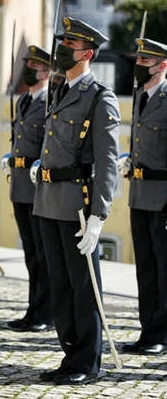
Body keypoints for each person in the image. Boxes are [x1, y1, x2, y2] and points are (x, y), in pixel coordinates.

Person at [31, 17, 120, 385]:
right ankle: (70, 353)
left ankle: (87, 361)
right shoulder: (59, 91)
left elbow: (107, 160)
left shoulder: (100, 96)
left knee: (83, 285)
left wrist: (99, 214)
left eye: (70, 44)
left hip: (78, 205)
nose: (62, 49)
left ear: (87, 53)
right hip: (48, 200)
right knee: (61, 284)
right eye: (62, 42)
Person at [120, 37, 167, 356]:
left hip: (163, 198)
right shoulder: (140, 96)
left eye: (143, 62)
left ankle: (162, 335)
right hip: (138, 195)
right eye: (136, 61)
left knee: (164, 270)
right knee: (145, 268)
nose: (137, 66)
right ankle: (147, 330)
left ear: (162, 65)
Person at [1, 45, 52, 332]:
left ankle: (45, 312)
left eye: (34, 66)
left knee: (43, 254)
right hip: (20, 184)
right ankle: (33, 309)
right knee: (31, 253)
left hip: (37, 186)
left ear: (46, 71)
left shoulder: (49, 103)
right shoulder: (23, 102)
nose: (29, 70)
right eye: (27, 65)